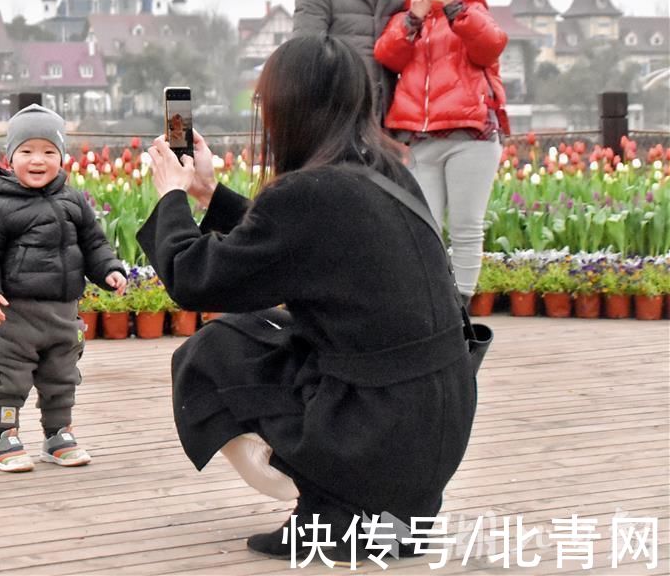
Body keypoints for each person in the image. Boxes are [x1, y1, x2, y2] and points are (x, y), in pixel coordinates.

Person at [137, 36, 476, 563]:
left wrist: (171, 197)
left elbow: (195, 279)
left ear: (286, 109)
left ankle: (333, 508)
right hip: (438, 422)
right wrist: (210, 194)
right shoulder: (389, 172)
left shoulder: (310, 193)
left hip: (375, 431)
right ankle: (390, 513)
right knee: (272, 328)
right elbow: (301, 246)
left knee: (215, 350)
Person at [0, 104, 128, 472]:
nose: (37, 160)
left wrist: (109, 271)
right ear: (10, 157)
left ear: (61, 157)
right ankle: (4, 438)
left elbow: (94, 243)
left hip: (62, 312)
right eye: (26, 151)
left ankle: (58, 435)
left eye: (48, 151)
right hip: (15, 314)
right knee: (11, 377)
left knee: (61, 377)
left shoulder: (72, 200)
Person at [374, 0, 509, 301]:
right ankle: (434, 302)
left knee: (466, 225)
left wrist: (454, 6)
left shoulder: (472, 6)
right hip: (420, 139)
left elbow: (491, 46)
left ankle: (462, 304)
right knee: (424, 227)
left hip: (470, 136)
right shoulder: (405, 14)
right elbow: (387, 56)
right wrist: (414, 18)